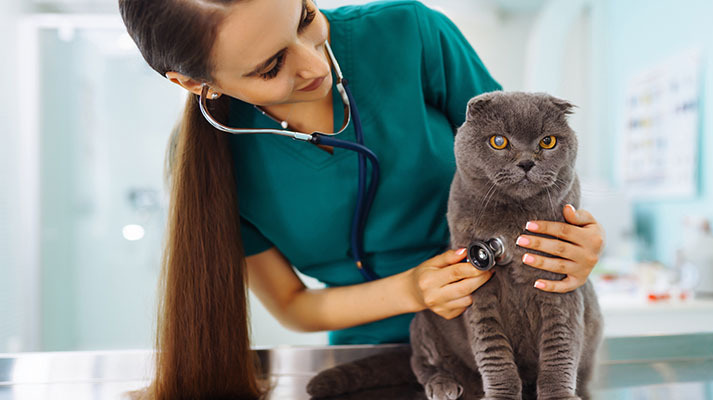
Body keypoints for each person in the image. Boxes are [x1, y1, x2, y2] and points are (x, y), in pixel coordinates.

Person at [119, 0, 606, 398]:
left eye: (306, 18)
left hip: (520, 332)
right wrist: (413, 291)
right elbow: (293, 306)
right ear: (193, 82)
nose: (313, 64)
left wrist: (575, 243)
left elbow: (532, 159)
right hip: (368, 360)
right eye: (270, 67)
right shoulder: (207, 162)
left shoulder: (409, 34)